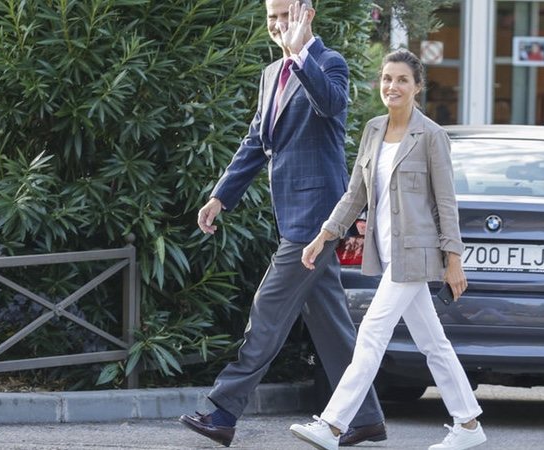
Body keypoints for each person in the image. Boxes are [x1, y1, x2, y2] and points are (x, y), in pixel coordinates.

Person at [178, 0, 385, 447]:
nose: (276, 25)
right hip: (292, 213)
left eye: (285, 16)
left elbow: (329, 106)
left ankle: (222, 411)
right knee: (330, 324)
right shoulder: (272, 74)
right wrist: (220, 196)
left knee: (267, 313)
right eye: (271, 17)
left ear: (306, 14)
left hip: (317, 219)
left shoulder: (329, 64)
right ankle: (365, 415)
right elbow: (257, 139)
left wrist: (299, 54)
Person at [289, 49, 485, 450]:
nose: (392, 87)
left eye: (401, 80)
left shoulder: (431, 136)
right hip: (388, 253)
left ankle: (333, 424)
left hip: (415, 255)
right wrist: (323, 236)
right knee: (433, 343)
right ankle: (467, 424)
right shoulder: (374, 130)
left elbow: (446, 203)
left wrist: (454, 260)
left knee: (373, 334)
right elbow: (354, 194)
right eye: (386, 79)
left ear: (417, 88)